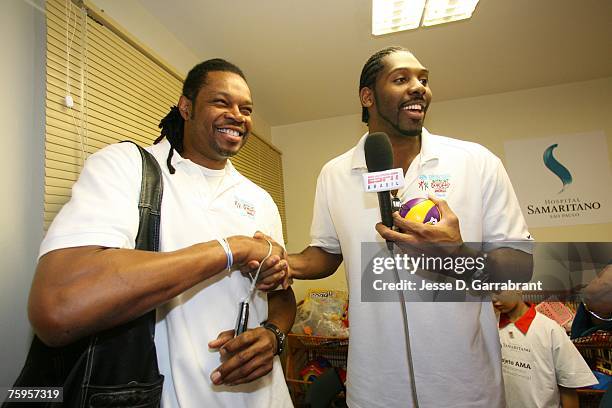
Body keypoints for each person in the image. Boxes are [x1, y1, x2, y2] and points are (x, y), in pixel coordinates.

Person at [256, 46, 534, 407]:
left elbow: (519, 266)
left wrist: (456, 253)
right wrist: (280, 261)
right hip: (375, 388)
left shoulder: (475, 162)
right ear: (367, 96)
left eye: (424, 79)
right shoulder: (336, 174)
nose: (418, 87)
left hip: (466, 385)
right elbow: (325, 252)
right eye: (401, 79)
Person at [29, 59, 295, 407]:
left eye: (246, 109)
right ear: (186, 107)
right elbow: (59, 305)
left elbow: (282, 296)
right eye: (221, 102)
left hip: (264, 397)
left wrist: (274, 334)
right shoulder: (127, 168)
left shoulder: (260, 199)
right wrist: (233, 249)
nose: (237, 115)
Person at [493, 291, 597, 408]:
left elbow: (568, 386)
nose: (493, 299)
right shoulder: (490, 326)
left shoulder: (549, 329)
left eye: (498, 291)